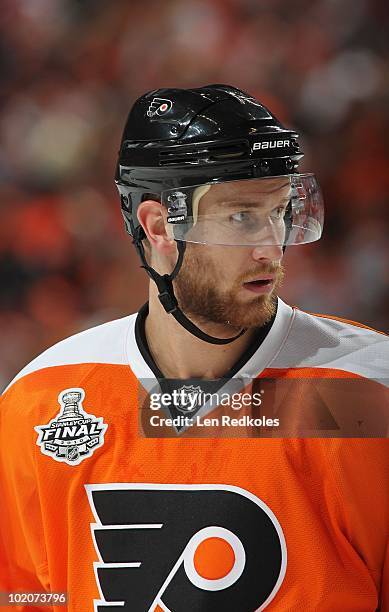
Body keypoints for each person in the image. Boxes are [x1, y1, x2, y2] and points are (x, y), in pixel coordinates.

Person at [0, 84, 388, 611]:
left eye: (277, 212)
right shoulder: (41, 399)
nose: (269, 246)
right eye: (240, 217)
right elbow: (28, 595)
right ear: (159, 226)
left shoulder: (369, 393)